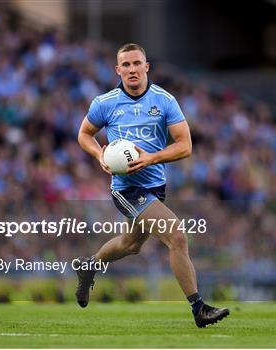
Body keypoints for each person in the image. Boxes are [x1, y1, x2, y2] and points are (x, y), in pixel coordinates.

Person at [76, 43, 229, 328]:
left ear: (146, 67)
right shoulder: (105, 103)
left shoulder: (165, 100)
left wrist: (151, 159)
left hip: (155, 186)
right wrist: (99, 154)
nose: (132, 69)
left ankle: (89, 266)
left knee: (130, 244)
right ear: (118, 70)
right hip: (125, 189)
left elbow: (185, 146)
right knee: (177, 235)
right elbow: (84, 134)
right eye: (126, 65)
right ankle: (199, 308)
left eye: (137, 64)